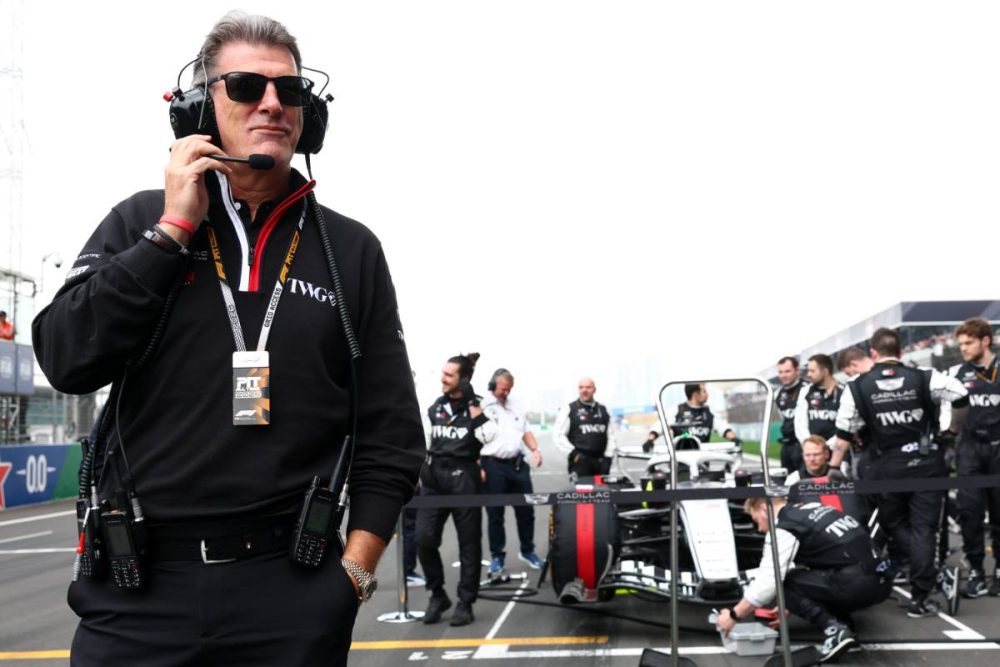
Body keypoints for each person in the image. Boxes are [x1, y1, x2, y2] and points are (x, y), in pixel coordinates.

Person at [31, 12, 425, 667]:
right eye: (246, 86)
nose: (272, 103)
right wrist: (170, 234)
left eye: (289, 90)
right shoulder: (138, 220)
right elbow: (65, 357)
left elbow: (392, 433)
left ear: (309, 115)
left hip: (293, 590)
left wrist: (351, 578)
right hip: (138, 593)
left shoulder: (351, 250)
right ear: (198, 108)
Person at [832, 327, 968, 617]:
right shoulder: (924, 376)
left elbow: (843, 432)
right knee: (923, 530)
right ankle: (921, 597)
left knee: (892, 524)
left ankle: (931, 578)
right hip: (927, 463)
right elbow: (961, 394)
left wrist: (833, 467)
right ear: (901, 351)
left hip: (887, 467)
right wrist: (952, 431)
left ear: (873, 353)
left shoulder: (856, 386)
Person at [716, 494, 891, 664]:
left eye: (756, 521)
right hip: (882, 580)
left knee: (782, 583)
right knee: (804, 574)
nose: (760, 529)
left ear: (763, 509)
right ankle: (846, 630)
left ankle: (835, 630)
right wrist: (793, 603)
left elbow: (769, 581)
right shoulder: (814, 509)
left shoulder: (785, 527)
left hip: (858, 584)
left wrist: (733, 616)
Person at [417, 353, 497, 626]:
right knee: (424, 539)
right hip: (435, 479)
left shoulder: (480, 406)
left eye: (449, 375)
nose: (443, 378)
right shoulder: (435, 407)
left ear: (464, 380)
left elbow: (488, 436)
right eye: (443, 373)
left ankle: (465, 602)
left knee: (469, 544)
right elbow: (423, 441)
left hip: (465, 478)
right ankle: (437, 594)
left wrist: (472, 403)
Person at [948, 318, 1000, 598]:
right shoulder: (956, 373)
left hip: (998, 447)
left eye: (968, 343)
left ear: (985, 341)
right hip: (969, 449)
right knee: (970, 513)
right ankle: (977, 571)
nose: (964, 348)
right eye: (961, 344)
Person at [480, 368, 545, 578]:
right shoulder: (482, 405)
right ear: (493, 386)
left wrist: (535, 450)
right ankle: (497, 557)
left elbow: (525, 430)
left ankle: (528, 551)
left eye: (509, 389)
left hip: (517, 464)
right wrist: (478, 465)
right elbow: (473, 437)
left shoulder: (516, 403)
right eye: (503, 389)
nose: (506, 393)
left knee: (526, 510)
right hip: (493, 465)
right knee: (495, 514)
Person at [554, 377, 617, 478]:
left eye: (588, 387)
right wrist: (573, 454)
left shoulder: (603, 409)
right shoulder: (569, 409)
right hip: (580, 462)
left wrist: (608, 457)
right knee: (584, 488)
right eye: (581, 387)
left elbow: (611, 436)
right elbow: (558, 435)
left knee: (602, 488)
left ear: (594, 390)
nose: (584, 390)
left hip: (601, 462)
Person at [794, 354, 844, 446]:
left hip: (838, 449)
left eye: (812, 371)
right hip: (812, 449)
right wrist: (810, 444)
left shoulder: (843, 392)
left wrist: (827, 446)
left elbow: (845, 426)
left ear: (825, 372)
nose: (808, 374)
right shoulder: (805, 391)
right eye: (808, 370)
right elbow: (800, 423)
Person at [672, 383, 737, 446]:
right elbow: (667, 430)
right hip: (681, 452)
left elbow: (721, 427)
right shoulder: (677, 410)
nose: (707, 394)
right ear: (696, 395)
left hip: (703, 452)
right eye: (704, 391)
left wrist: (732, 436)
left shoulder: (709, 412)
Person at [774, 356, 806, 472]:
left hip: (804, 445)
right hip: (787, 445)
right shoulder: (777, 394)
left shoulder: (808, 389)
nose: (783, 375)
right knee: (786, 479)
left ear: (797, 370)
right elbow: (783, 418)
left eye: (787, 371)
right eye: (780, 372)